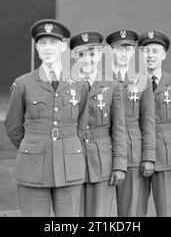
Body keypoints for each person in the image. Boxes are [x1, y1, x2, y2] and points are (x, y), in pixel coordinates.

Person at [4, 19, 89, 217]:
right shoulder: (23, 83)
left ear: (63, 46)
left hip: (69, 166)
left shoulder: (79, 83)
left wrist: (67, 147)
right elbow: (12, 126)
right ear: (36, 47)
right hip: (33, 167)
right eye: (42, 43)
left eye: (53, 43)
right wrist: (32, 147)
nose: (47, 48)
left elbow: (82, 123)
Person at [70, 30, 127, 217]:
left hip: (102, 161)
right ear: (74, 56)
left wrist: (119, 165)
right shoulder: (65, 86)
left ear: (100, 54)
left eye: (92, 54)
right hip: (72, 158)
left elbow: (119, 129)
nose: (87, 60)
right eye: (81, 55)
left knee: (99, 216)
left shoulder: (112, 86)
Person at [138, 30, 171, 217]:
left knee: (167, 210)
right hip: (137, 152)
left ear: (164, 54)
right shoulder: (131, 83)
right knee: (134, 212)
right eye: (146, 51)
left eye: (155, 51)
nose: (150, 55)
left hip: (166, 155)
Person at [105, 29, 156, 217]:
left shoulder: (143, 81)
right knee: (98, 210)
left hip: (132, 153)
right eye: (119, 49)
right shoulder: (99, 78)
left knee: (131, 212)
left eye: (128, 49)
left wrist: (148, 156)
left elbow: (148, 122)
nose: (124, 54)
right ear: (111, 52)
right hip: (103, 152)